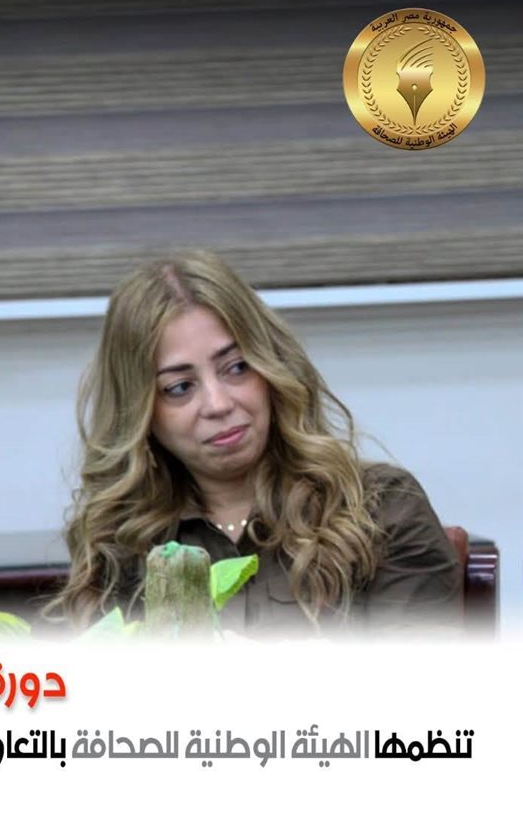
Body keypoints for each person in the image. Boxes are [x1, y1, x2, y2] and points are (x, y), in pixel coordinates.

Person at [50, 252, 460, 637]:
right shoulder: (121, 542)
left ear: (272, 367)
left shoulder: (381, 510)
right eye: (179, 387)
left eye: (237, 367)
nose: (218, 404)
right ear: (140, 412)